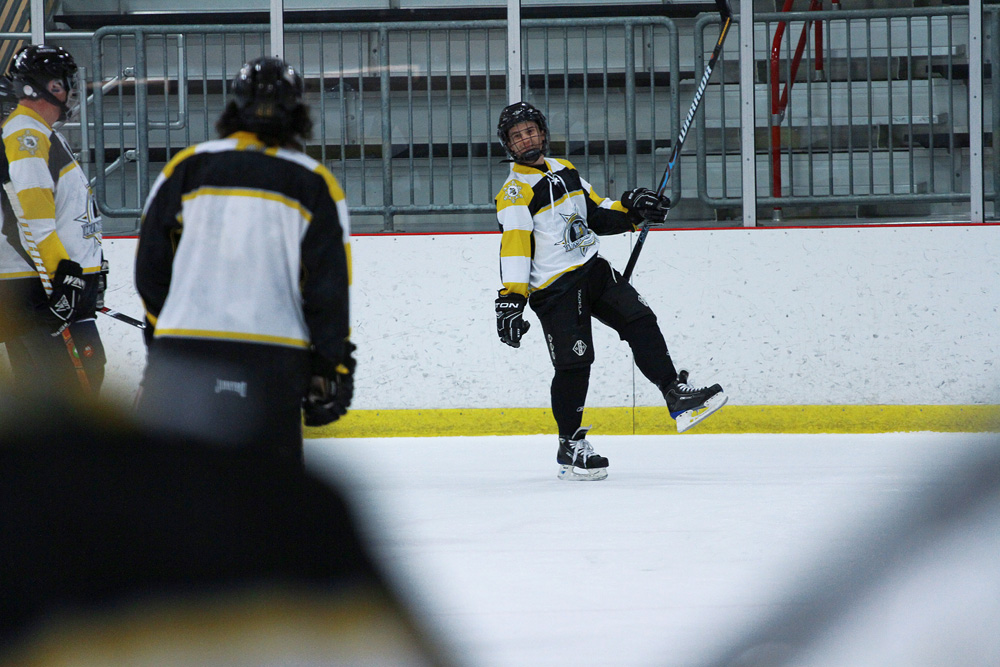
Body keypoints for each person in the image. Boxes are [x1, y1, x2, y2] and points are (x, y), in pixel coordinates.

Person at [134, 57, 354, 462]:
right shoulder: (313, 182)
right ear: (298, 112)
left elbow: (150, 269)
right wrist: (330, 363)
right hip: (274, 357)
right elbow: (328, 288)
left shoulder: (187, 167)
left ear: (235, 106)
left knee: (175, 487)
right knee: (267, 492)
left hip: (184, 352)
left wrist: (164, 330)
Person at [493, 101, 727, 481]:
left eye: (530, 130)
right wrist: (511, 300)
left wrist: (634, 211)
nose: (526, 139)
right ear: (509, 145)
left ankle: (675, 395)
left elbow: (596, 212)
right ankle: (570, 444)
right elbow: (516, 249)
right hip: (555, 288)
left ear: (542, 132)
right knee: (575, 365)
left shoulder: (564, 170)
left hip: (592, 269)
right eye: (517, 136)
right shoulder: (515, 193)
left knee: (640, 319)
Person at [0, 45, 106, 395]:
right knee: (75, 394)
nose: (70, 90)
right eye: (63, 82)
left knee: (55, 396)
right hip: (43, 290)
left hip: (50, 285)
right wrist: (66, 278)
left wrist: (92, 267)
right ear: (43, 88)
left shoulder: (39, 131)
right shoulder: (26, 136)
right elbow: (33, 220)